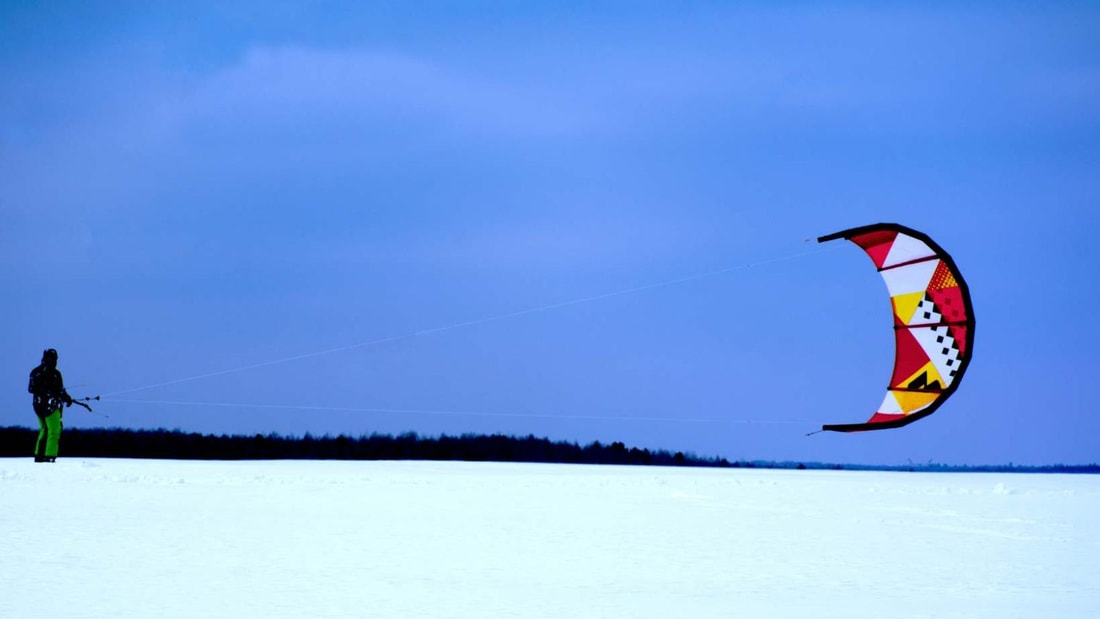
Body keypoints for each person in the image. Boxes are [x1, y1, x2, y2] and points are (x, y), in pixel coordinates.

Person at [28, 348, 72, 463]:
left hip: (39, 406)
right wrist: (49, 392)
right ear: (44, 358)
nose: (52, 360)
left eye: (54, 358)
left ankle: (39, 455)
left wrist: (67, 398)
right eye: (50, 358)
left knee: (45, 429)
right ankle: (49, 455)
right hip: (48, 406)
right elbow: (32, 388)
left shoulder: (40, 372)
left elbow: (61, 390)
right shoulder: (46, 373)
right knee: (54, 430)